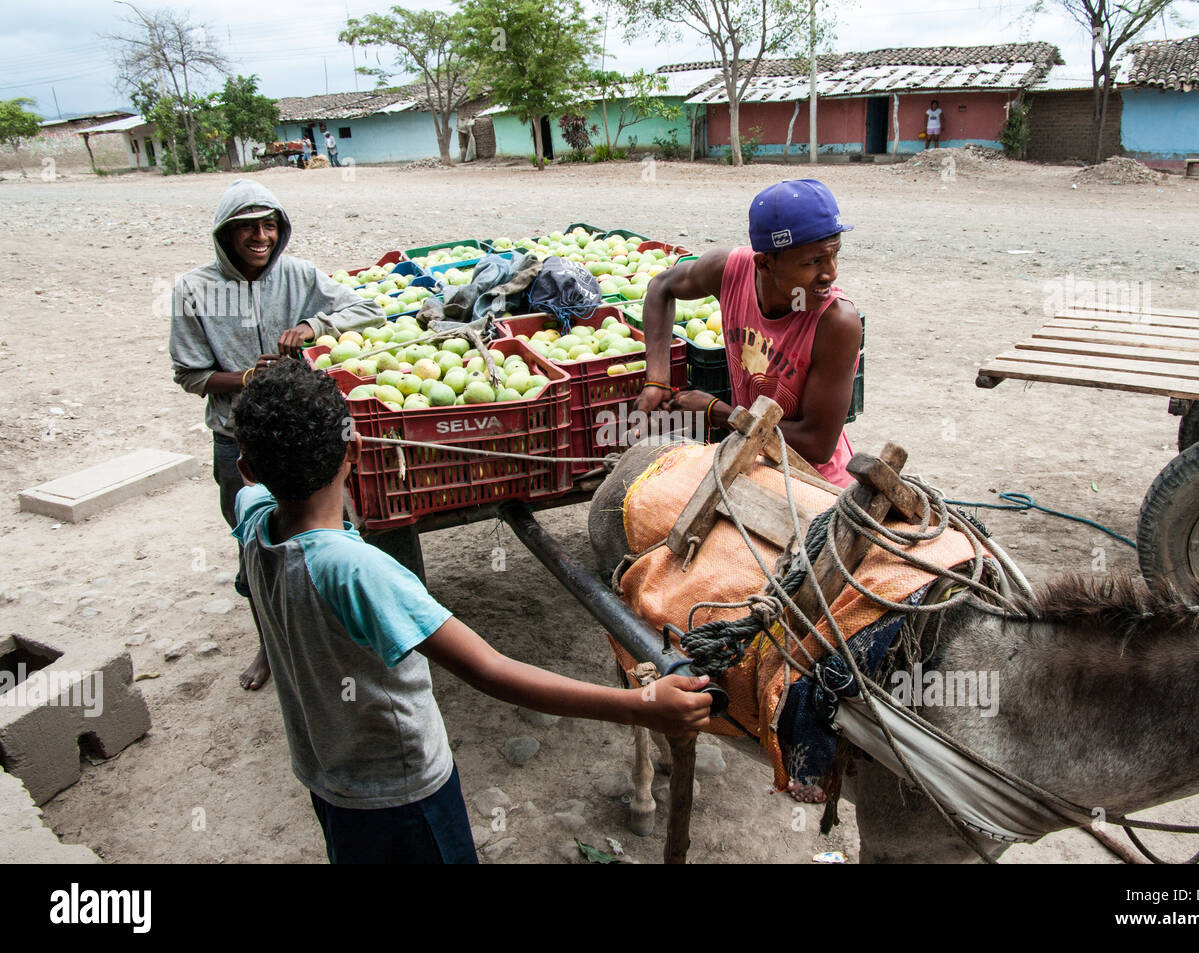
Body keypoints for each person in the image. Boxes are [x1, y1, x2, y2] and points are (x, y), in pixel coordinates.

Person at [230, 359, 713, 863]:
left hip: (325, 774)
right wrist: (640, 705)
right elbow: (490, 669)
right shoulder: (357, 571)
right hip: (401, 792)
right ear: (355, 450)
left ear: (247, 468)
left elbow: (255, 487)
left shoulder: (255, 520)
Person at [169, 179, 385, 691]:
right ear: (226, 233)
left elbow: (369, 309)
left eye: (269, 225)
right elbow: (190, 375)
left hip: (307, 434)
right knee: (260, 541)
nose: (260, 236)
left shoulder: (299, 274)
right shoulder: (193, 290)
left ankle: (335, 636)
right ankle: (270, 642)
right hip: (237, 437)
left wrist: (312, 326)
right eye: (247, 226)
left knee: (330, 534)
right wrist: (247, 377)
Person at [635, 179, 860, 487]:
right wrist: (657, 380)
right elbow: (661, 287)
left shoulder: (836, 322)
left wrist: (720, 413)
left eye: (835, 254)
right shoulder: (729, 271)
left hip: (812, 483)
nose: (831, 272)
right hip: (751, 462)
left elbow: (816, 443)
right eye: (814, 261)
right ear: (765, 264)